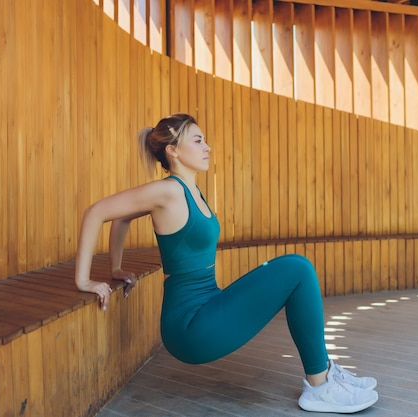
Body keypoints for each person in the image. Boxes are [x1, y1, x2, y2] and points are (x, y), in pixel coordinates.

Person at [74, 113, 378, 413]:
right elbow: (97, 212)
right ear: (173, 150)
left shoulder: (191, 191)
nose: (207, 147)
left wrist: (116, 268)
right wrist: (83, 280)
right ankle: (320, 385)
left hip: (208, 305)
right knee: (297, 268)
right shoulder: (167, 190)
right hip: (190, 326)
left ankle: (323, 372)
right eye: (198, 140)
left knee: (297, 271)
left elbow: (123, 217)